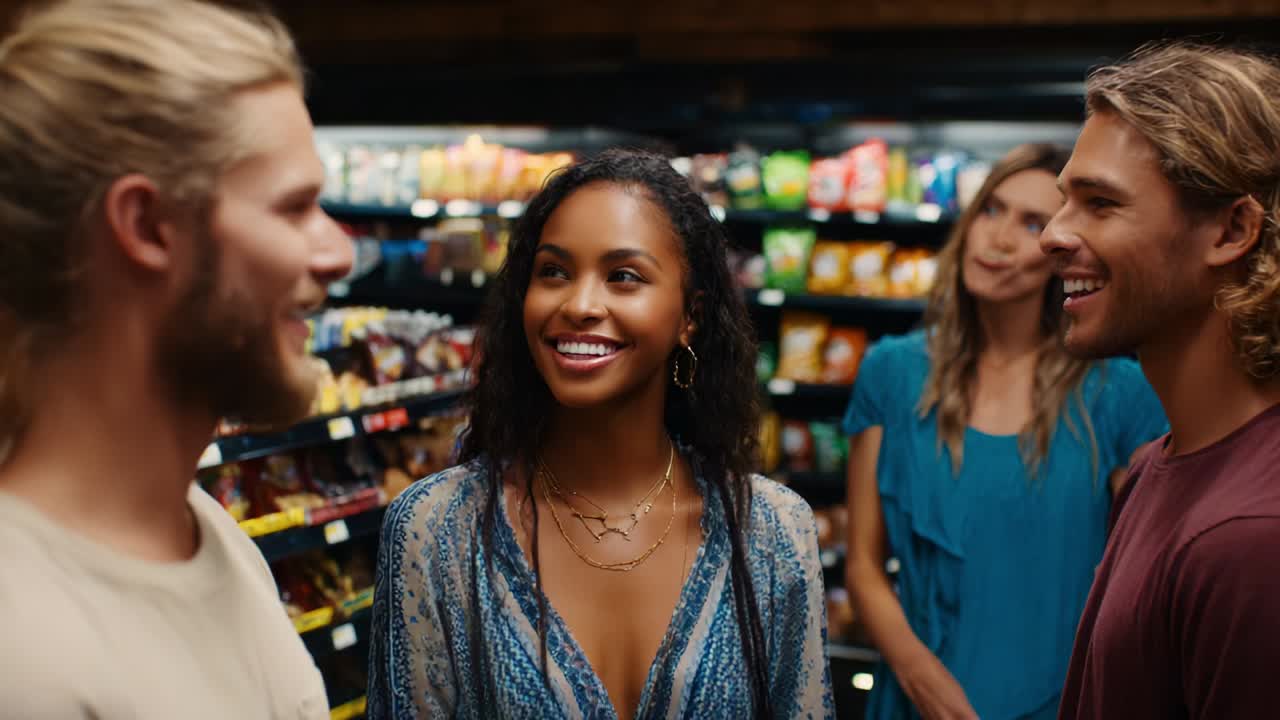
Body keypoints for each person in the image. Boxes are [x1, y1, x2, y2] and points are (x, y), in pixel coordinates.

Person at [368, 149, 833, 719]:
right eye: (554, 272)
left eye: (624, 277)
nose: (580, 304)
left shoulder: (771, 533)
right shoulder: (437, 530)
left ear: (689, 315)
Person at [0, 0, 353, 716]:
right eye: (293, 208)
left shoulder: (209, 533)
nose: (339, 253)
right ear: (148, 225)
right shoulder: (26, 657)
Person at [843, 143, 1167, 720]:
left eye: (1032, 223)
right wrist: (921, 679)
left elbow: (1141, 582)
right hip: (916, 702)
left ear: (1063, 248)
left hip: (1062, 702)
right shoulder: (890, 373)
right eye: (991, 210)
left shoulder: (1118, 392)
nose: (999, 239)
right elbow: (864, 565)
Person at [1044, 42, 1280, 720]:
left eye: (1100, 203)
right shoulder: (1157, 464)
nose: (1051, 236)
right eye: (1066, 201)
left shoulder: (1252, 538)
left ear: (1232, 230)